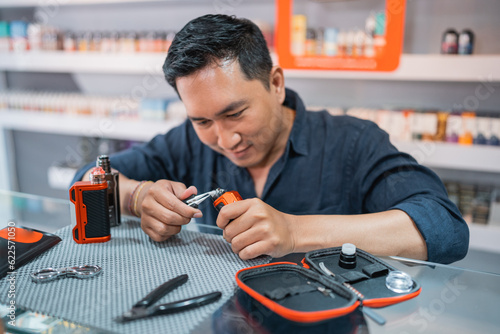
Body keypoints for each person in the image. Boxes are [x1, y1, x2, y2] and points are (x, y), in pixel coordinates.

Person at [73, 14, 468, 264]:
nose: (225, 138)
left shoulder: (353, 142)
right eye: (203, 120)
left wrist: (296, 232)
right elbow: (85, 178)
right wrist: (138, 198)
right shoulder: (187, 142)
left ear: (275, 83)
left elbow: (446, 230)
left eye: (235, 113)